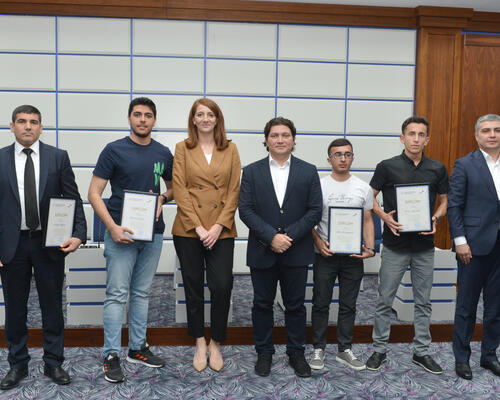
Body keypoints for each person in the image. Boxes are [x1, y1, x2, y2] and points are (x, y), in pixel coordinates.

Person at [0, 105, 87, 390]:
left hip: (49, 243)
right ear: (11, 126)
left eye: (33, 122)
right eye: (22, 121)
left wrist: (79, 234)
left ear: (40, 127)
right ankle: (17, 364)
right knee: (15, 309)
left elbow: (72, 197)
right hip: (11, 245)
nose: (28, 126)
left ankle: (53, 362)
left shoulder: (57, 157)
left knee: (52, 306)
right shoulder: (0, 158)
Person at [88, 97, 173, 383]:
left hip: (153, 233)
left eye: (148, 115)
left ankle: (137, 348)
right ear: (129, 118)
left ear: (154, 120)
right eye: (137, 114)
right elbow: (94, 193)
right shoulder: (114, 150)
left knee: (142, 293)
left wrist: (162, 197)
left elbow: (173, 188)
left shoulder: (163, 153)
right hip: (120, 233)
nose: (142, 120)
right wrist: (111, 227)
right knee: (116, 294)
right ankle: (111, 354)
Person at [239, 117, 322, 378]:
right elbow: (245, 210)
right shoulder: (251, 171)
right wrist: (271, 237)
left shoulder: (308, 171)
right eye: (274, 135)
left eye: (285, 135)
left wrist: (288, 237)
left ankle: (296, 353)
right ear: (266, 140)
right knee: (262, 304)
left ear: (293, 140)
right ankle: (264, 352)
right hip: (262, 249)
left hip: (296, 250)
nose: (280, 140)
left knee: (295, 305)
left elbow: (315, 210)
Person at [366, 116, 449, 374]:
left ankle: (421, 352)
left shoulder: (437, 168)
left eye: (421, 134)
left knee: (423, 302)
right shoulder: (386, 166)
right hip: (395, 245)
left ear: (427, 139)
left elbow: (445, 201)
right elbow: (369, 197)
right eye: (411, 134)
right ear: (402, 138)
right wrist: (384, 217)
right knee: (385, 299)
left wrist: (435, 218)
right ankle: (379, 349)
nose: (416, 139)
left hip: (424, 246)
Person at [172, 98, 241, 372]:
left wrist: (218, 226)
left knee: (222, 286)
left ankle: (216, 341)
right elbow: (179, 189)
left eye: (210, 115)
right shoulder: (182, 148)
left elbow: (234, 190)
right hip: (189, 229)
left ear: (217, 119)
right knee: (193, 286)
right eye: (200, 114)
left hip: (221, 229)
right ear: (193, 119)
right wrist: (199, 228)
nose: (205, 119)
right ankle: (200, 340)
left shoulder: (231, 148)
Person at [309, 138, 375, 371]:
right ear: (329, 159)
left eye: (347, 154)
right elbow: (310, 220)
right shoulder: (318, 186)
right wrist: (318, 242)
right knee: (320, 302)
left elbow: (367, 219)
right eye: (338, 154)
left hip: (352, 257)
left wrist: (370, 248)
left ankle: (344, 349)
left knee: (349, 304)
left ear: (352, 158)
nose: (343, 158)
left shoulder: (363, 187)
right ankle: (318, 348)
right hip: (325, 254)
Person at [448, 114, 500, 380]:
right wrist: (460, 241)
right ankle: (462, 358)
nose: (492, 134)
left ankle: (489, 355)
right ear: (477, 135)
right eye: (486, 130)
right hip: (472, 246)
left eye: (497, 130)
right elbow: (454, 206)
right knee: (466, 307)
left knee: (496, 308)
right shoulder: (465, 164)